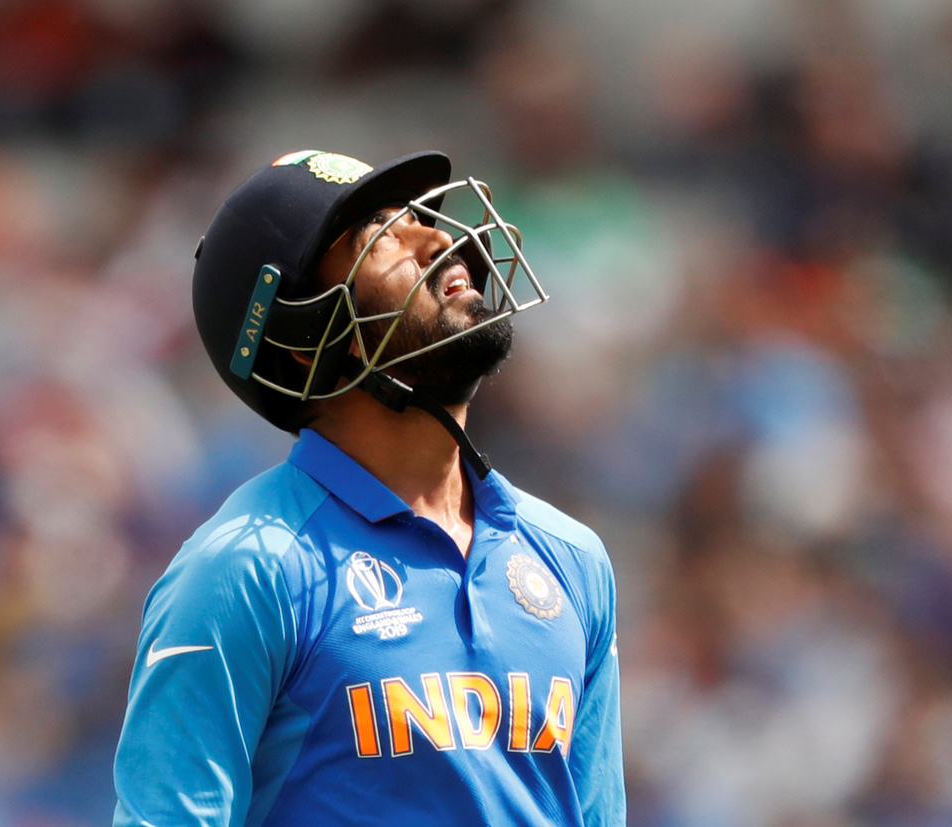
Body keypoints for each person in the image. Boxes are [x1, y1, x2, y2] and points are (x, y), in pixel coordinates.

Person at [111, 149, 626, 826]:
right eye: (381, 234)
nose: (437, 238)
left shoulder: (571, 557)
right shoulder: (245, 569)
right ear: (307, 339)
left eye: (418, 217)